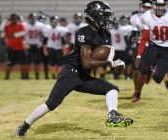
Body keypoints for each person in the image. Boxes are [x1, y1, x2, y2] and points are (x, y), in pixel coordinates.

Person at [16, 1, 133, 137]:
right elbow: (87, 63)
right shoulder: (84, 32)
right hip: (70, 73)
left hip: (83, 76)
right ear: (94, 16)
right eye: (104, 16)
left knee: (112, 89)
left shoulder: (105, 34)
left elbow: (96, 58)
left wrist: (110, 61)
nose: (108, 19)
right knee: (51, 104)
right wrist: (108, 62)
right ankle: (25, 125)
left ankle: (113, 116)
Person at [132, 0, 168, 102]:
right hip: (153, 46)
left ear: (166, 5)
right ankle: (137, 93)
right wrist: (139, 55)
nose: (160, 7)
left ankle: (152, 71)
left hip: (167, 49)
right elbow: (144, 38)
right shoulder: (147, 16)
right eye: (158, 4)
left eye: (162, 5)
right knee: (142, 70)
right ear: (154, 5)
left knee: (158, 78)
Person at [130, 0, 153, 101]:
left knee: (142, 70)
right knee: (135, 69)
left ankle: (138, 92)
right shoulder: (135, 18)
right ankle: (136, 90)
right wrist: (131, 44)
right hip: (139, 44)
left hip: (151, 45)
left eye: (148, 7)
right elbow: (134, 34)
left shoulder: (156, 18)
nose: (146, 9)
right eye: (145, 7)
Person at [4, 13, 29, 79]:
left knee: (23, 63)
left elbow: (24, 32)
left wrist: (15, 35)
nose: (14, 20)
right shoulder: (8, 26)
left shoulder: (21, 25)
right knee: (9, 63)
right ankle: (7, 77)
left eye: (16, 18)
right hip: (11, 48)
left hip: (21, 47)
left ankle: (24, 76)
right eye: (13, 18)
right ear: (11, 19)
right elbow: (0, 29)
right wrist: (5, 20)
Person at [24, 13, 44, 79]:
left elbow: (44, 35)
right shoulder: (25, 25)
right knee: (27, 61)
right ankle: (26, 75)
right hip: (28, 45)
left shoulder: (40, 25)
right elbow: (22, 36)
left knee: (37, 62)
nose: (32, 20)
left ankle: (37, 75)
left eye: (33, 18)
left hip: (37, 45)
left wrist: (41, 43)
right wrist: (25, 43)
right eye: (31, 18)